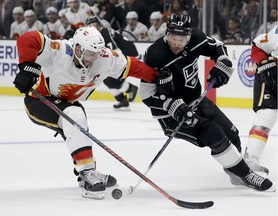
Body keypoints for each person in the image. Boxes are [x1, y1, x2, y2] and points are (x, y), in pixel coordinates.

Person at [13, 26, 158, 199]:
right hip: (38, 100)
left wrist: (157, 77)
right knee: (75, 116)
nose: (94, 58)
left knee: (78, 125)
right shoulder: (61, 52)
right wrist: (27, 66)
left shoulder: (103, 58)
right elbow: (29, 39)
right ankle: (88, 176)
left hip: (67, 103)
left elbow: (132, 65)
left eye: (97, 53)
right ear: (78, 48)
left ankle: (87, 174)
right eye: (90, 53)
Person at [141, 14, 273, 191]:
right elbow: (146, 95)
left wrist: (223, 63)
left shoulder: (196, 37)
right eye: (173, 38)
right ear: (167, 34)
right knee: (212, 132)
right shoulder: (155, 55)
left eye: (182, 39)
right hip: (170, 113)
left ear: (189, 35)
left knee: (233, 135)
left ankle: (235, 173)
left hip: (198, 100)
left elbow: (218, 47)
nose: (177, 44)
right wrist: (171, 105)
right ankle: (245, 174)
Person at [243, 24, 277, 176]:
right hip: (270, 77)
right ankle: (250, 159)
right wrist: (264, 62)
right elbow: (257, 45)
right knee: (267, 114)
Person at [86, 15, 139, 110]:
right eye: (89, 26)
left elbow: (115, 51)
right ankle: (122, 100)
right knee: (106, 79)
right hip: (124, 54)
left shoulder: (104, 33)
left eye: (93, 24)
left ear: (98, 24)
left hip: (129, 55)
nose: (92, 27)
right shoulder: (99, 34)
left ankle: (130, 88)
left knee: (108, 78)